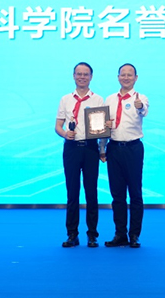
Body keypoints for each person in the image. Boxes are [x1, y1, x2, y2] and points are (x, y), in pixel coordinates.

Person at [55, 62, 105, 248]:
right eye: (79, 74)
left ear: (91, 77)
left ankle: (92, 235)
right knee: (72, 192)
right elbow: (58, 126)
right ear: (73, 76)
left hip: (91, 148)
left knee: (91, 192)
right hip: (71, 149)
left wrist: (102, 147)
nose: (82, 77)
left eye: (86, 74)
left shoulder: (98, 99)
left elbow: (101, 129)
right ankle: (72, 234)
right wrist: (64, 133)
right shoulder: (65, 99)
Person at [103, 63, 149, 248]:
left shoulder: (141, 98)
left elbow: (143, 110)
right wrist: (102, 148)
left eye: (130, 75)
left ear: (136, 78)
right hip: (113, 148)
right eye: (123, 74)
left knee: (135, 193)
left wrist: (140, 106)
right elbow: (104, 126)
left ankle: (134, 235)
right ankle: (120, 234)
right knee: (117, 195)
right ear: (118, 77)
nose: (126, 77)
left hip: (133, 149)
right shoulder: (109, 99)